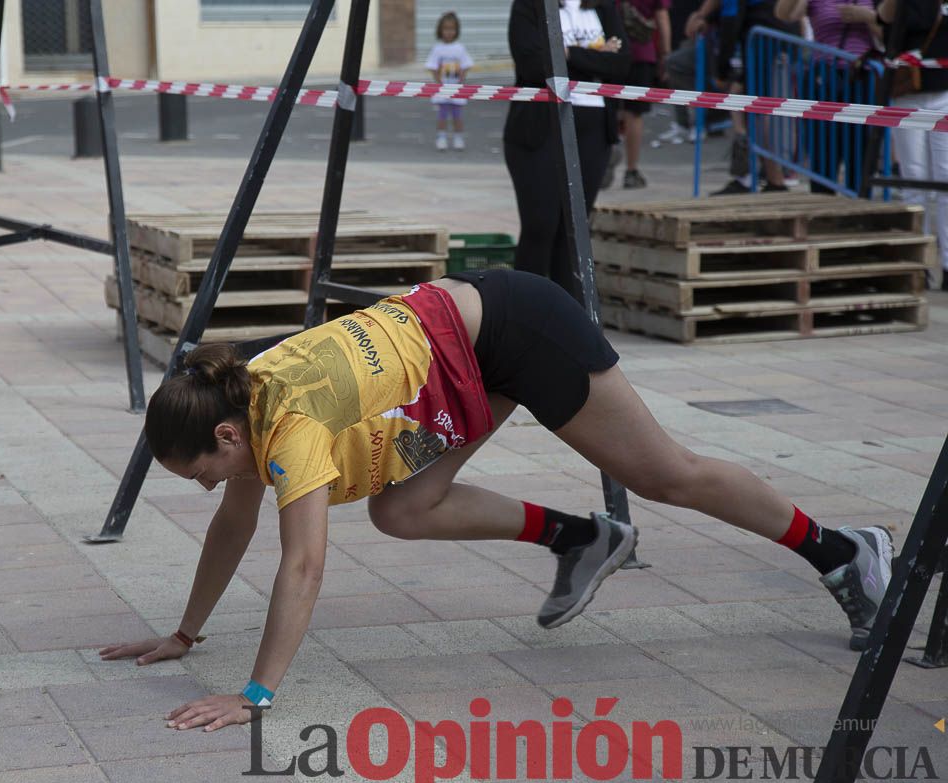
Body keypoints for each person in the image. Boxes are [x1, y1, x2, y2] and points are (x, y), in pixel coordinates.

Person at [100, 270, 894, 732]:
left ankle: (842, 550)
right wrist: (184, 632)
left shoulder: (292, 428)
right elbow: (233, 521)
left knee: (665, 475)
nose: (207, 487)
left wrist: (256, 695)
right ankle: (584, 540)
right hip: (462, 348)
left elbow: (302, 566)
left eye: (200, 472)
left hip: (516, 329)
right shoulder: (242, 392)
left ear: (230, 438)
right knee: (403, 510)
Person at [505, 0, 630, 297]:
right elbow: (533, 64)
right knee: (541, 225)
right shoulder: (529, 6)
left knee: (573, 231)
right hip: (539, 127)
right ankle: (523, 312)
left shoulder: (602, 7)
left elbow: (622, 63)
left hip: (593, 128)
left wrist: (568, 53)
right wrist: (597, 55)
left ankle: (566, 317)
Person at [774, 0, 883, 194]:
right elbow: (785, 14)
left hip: (861, 76)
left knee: (860, 147)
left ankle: (859, 205)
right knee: (821, 146)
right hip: (823, 77)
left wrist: (868, 17)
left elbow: (887, 37)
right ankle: (824, 205)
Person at [686, 0, 795, 193]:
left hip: (759, 41)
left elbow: (731, 19)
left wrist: (722, 68)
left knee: (757, 112)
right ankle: (752, 174)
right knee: (740, 100)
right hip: (765, 37)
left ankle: (772, 177)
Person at [879, 0, 948, 291]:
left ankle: (947, 264)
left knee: (945, 178)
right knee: (914, 178)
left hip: (944, 91)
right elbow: (883, 17)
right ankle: (914, 264)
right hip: (908, 94)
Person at [620, 0, 673, 188]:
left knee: (611, 106)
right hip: (641, 53)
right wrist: (665, 55)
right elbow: (662, 17)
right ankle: (631, 170)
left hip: (609, 52)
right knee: (634, 114)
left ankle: (605, 155)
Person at [425, 11, 474, 151]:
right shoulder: (437, 48)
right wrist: (438, 83)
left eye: (452, 29)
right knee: (442, 114)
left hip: (457, 89)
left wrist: (461, 83)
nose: (449, 32)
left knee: (457, 115)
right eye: (446, 29)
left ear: (456, 30)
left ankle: (458, 137)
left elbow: (466, 66)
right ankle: (441, 137)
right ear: (440, 30)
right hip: (442, 89)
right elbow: (432, 67)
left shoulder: (460, 48)